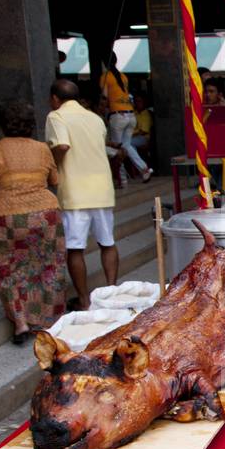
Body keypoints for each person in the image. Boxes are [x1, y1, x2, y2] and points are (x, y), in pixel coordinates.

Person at [0, 101, 65, 344]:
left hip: (9, 214)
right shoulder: (42, 148)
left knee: (7, 268)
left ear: (2, 125)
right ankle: (49, 321)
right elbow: (54, 179)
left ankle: (21, 323)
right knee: (49, 264)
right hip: (46, 213)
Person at [45, 79, 118, 311]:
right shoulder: (95, 118)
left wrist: (50, 167)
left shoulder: (56, 116)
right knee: (107, 242)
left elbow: (63, 146)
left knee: (76, 248)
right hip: (102, 188)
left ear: (55, 98)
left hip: (75, 191)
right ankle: (111, 294)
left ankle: (85, 301)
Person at [100, 53, 153, 182]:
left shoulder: (105, 77)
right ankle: (144, 169)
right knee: (126, 145)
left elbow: (105, 96)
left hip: (118, 116)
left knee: (118, 148)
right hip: (130, 114)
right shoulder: (123, 76)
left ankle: (122, 179)